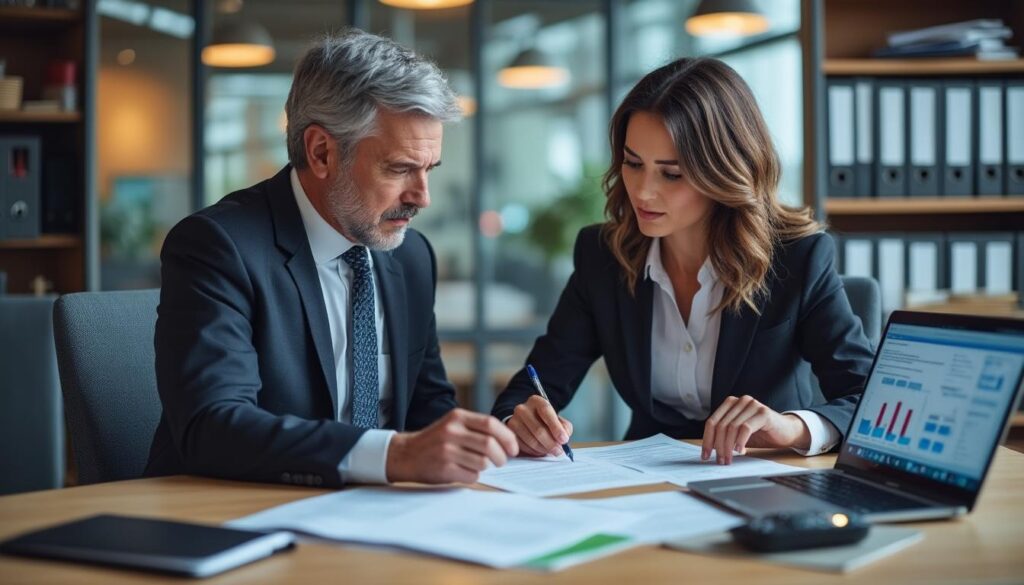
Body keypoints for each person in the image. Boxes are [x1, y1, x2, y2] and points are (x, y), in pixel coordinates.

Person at [146, 30, 517, 488]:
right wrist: (393, 455)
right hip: (234, 508)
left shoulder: (411, 256)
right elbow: (213, 426)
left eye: (429, 170)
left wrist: (497, 436)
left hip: (380, 512)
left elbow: (428, 406)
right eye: (400, 168)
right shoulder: (218, 246)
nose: (423, 197)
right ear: (321, 152)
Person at [492, 57, 875, 465]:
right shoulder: (602, 255)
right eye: (633, 164)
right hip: (645, 478)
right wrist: (522, 420)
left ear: (725, 171)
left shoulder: (797, 258)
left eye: (671, 174)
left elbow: (869, 399)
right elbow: (531, 387)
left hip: (764, 473)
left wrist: (792, 428)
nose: (643, 192)